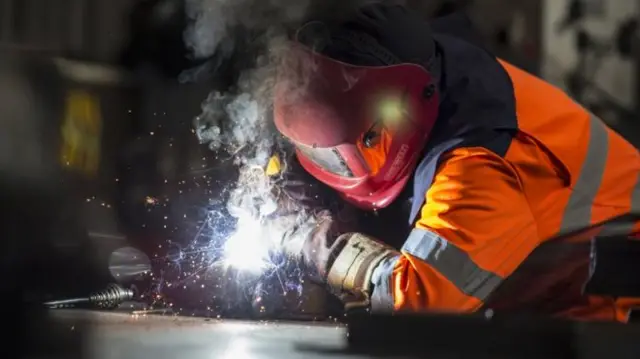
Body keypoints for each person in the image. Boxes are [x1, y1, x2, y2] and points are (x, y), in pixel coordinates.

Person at [269, 3, 640, 321]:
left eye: (337, 158)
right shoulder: (419, 64)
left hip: (608, 309)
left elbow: (416, 302)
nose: (327, 167)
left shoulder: (481, 166)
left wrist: (324, 250)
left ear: (395, 117)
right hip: (525, 278)